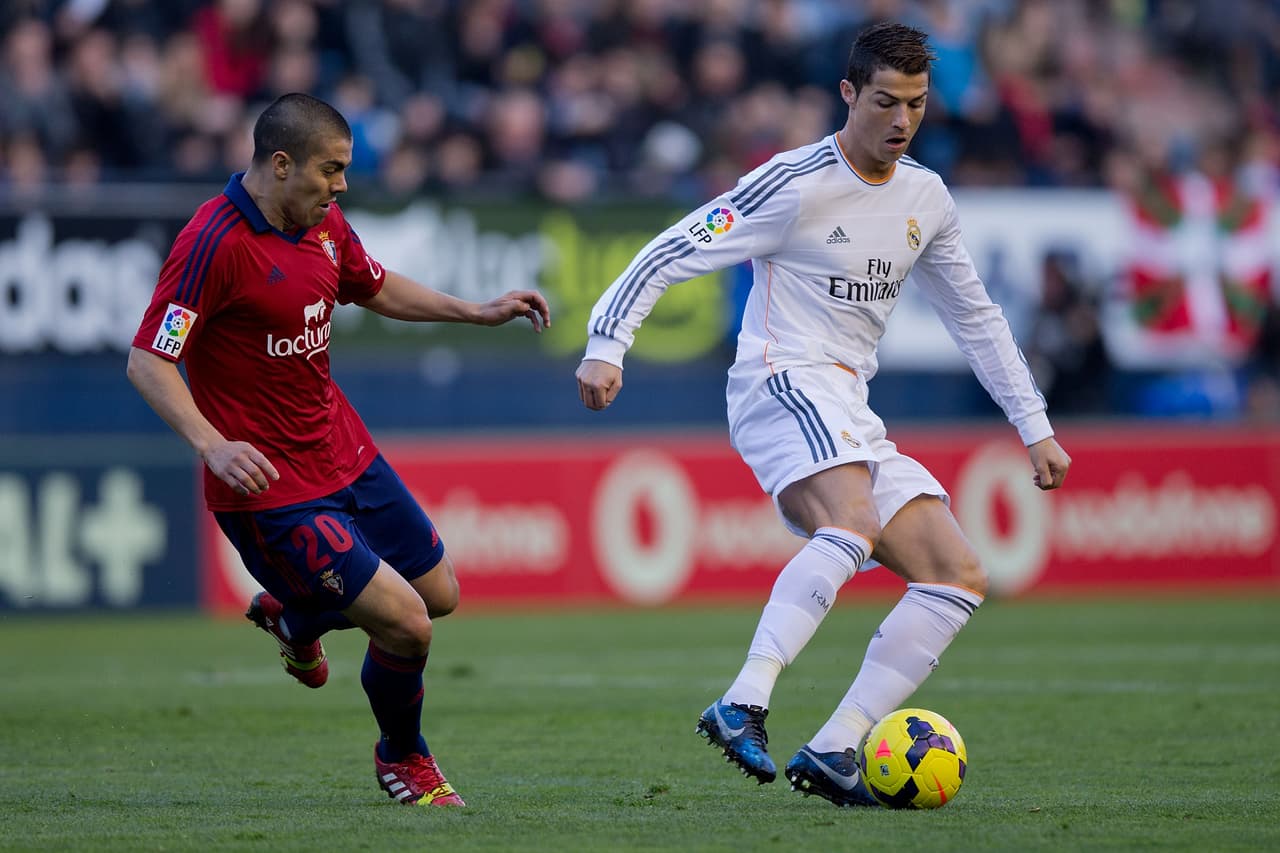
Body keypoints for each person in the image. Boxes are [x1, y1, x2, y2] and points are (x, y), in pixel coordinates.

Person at [575, 22, 1069, 807]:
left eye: (915, 103)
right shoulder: (795, 181)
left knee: (958, 574)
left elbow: (976, 317)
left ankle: (838, 747)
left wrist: (1033, 424)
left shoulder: (926, 198)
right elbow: (675, 245)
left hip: (849, 403)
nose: (901, 121)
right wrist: (609, 341)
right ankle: (744, 698)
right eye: (884, 101)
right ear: (848, 94)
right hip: (780, 379)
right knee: (851, 520)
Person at [127, 92, 551, 808]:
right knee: (406, 625)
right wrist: (213, 445)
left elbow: (375, 286)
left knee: (438, 595)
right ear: (282, 164)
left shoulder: (321, 221)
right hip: (273, 489)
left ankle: (298, 614)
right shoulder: (212, 244)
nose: (343, 184)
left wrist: (474, 311)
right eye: (333, 169)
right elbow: (149, 361)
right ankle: (403, 757)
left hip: (344, 450)